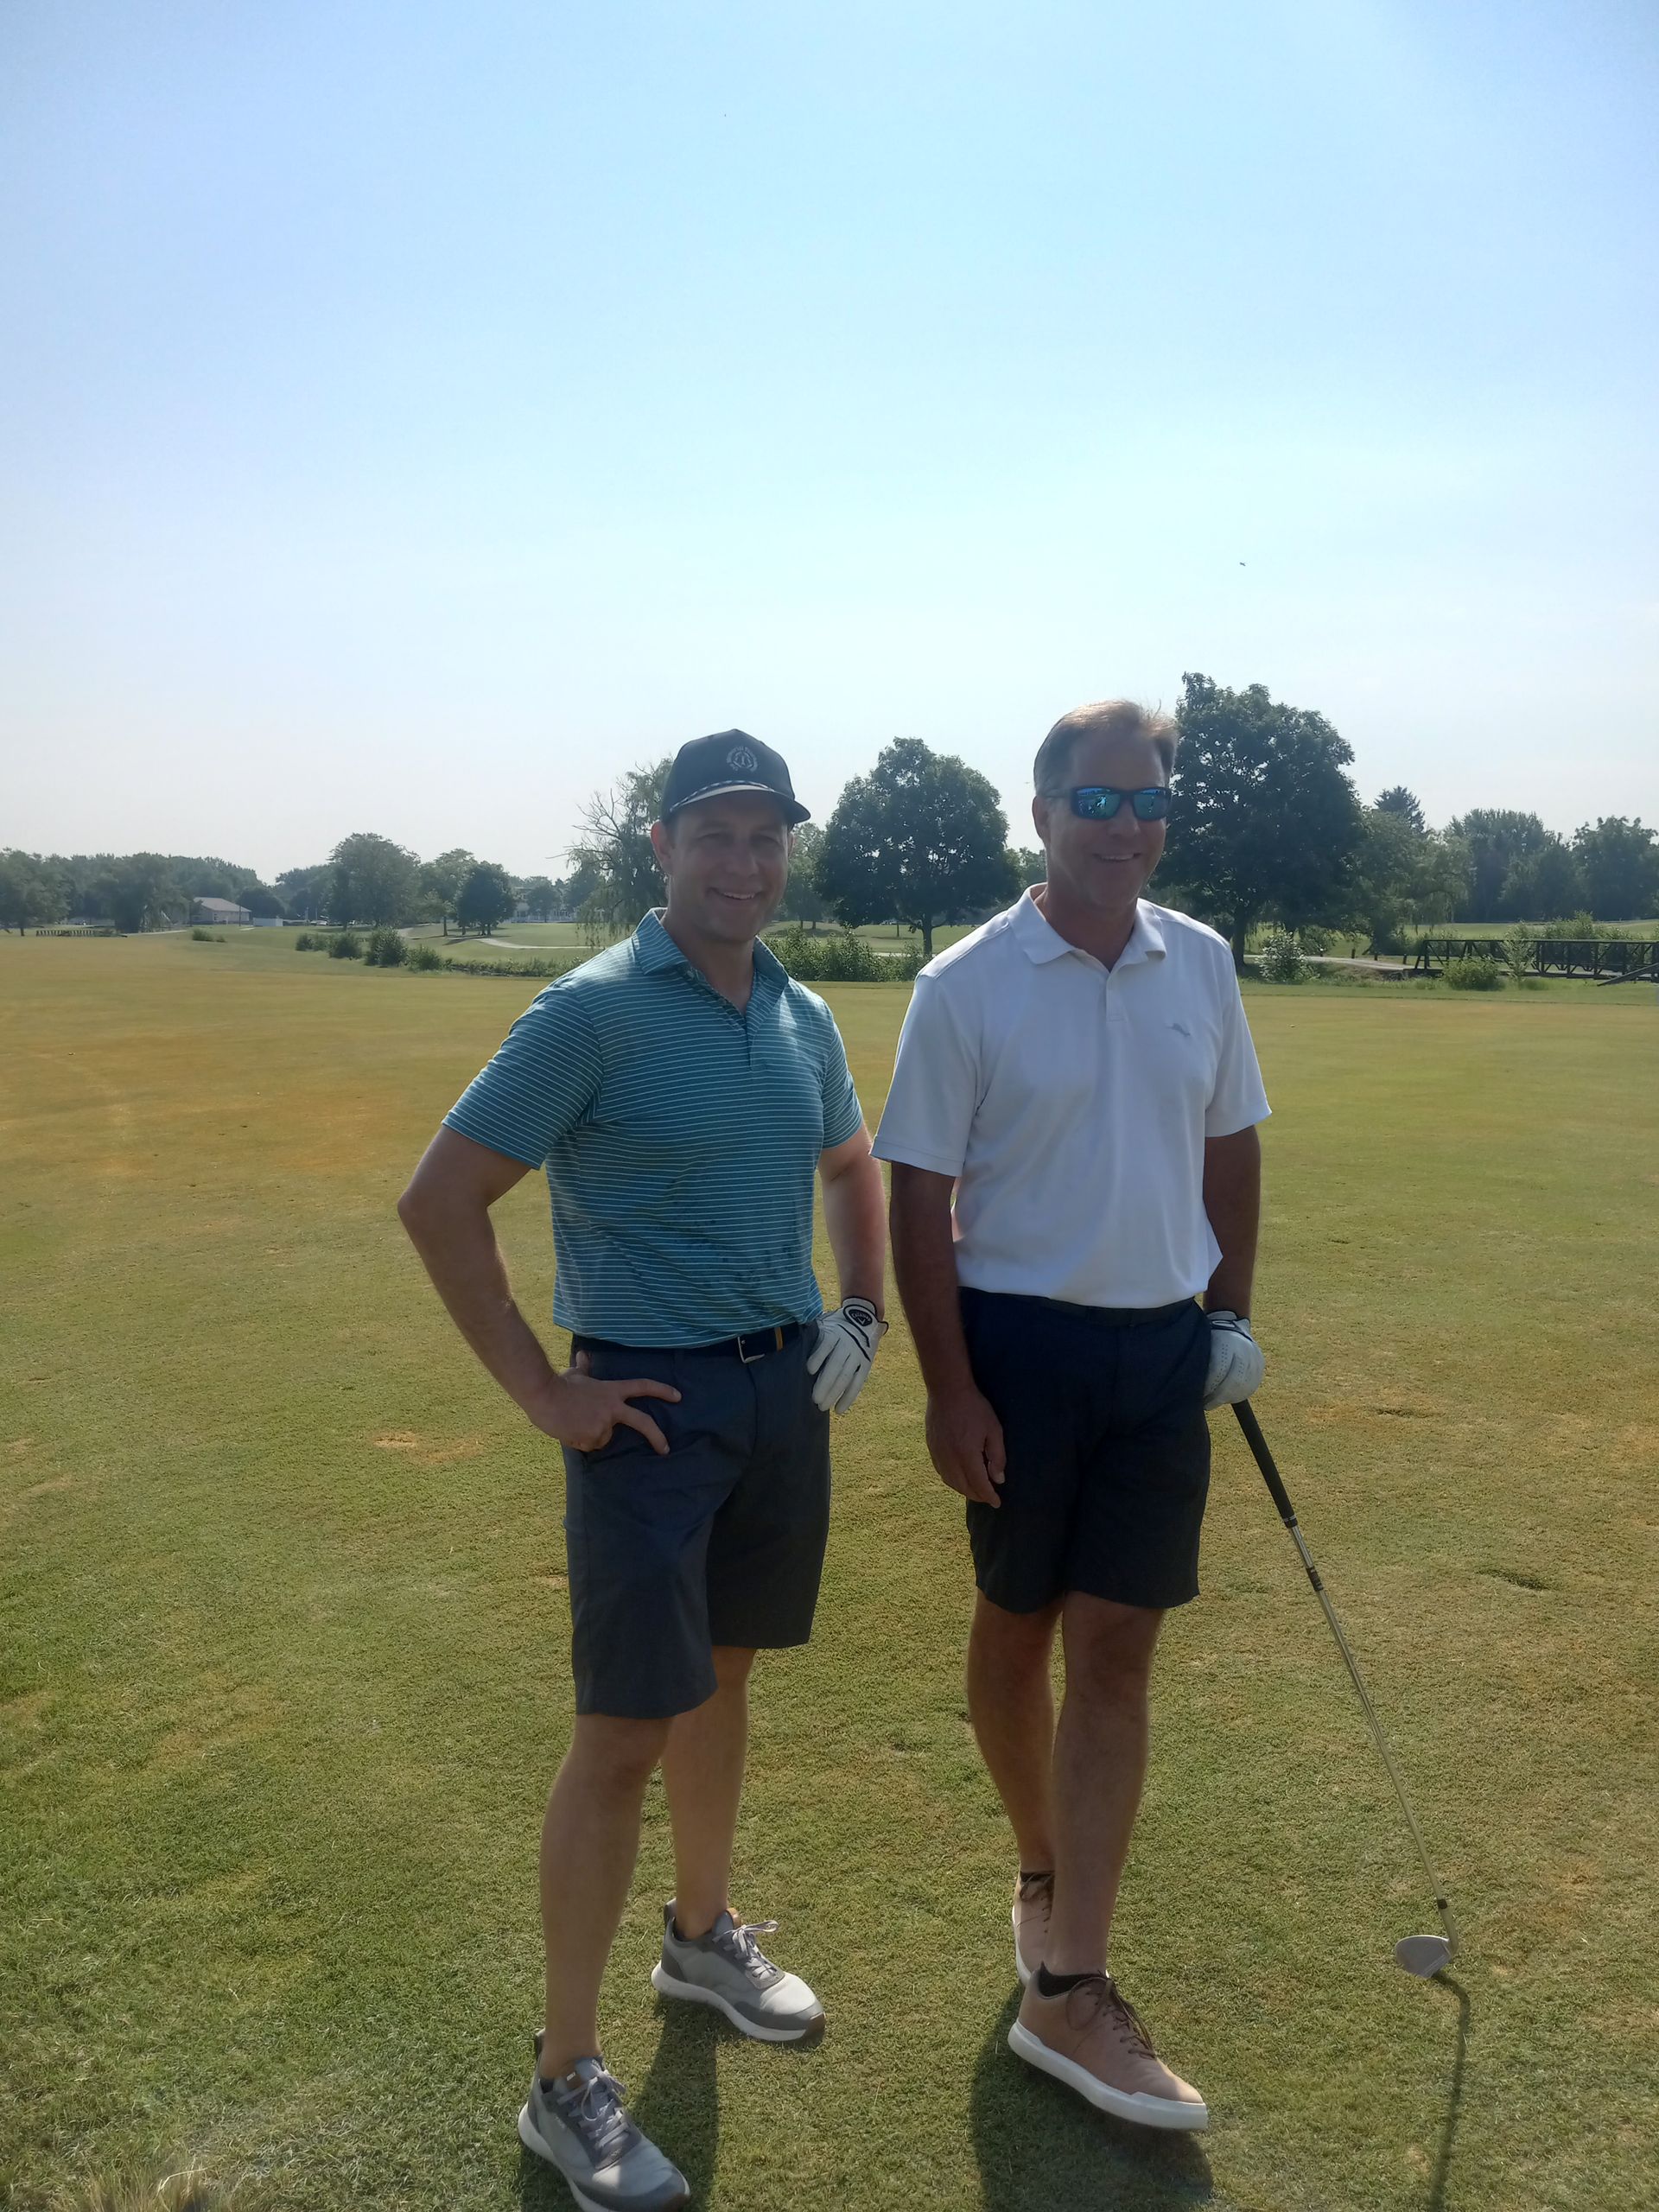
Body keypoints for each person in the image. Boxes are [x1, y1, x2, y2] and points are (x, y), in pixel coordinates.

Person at [397, 731, 887, 2212]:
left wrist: (864, 1311)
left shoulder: (801, 1011)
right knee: (620, 1735)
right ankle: (564, 2077)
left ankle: (700, 1937)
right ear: (660, 847)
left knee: (723, 1681)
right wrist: (547, 1392)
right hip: (649, 1411)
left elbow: (850, 1165)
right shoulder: (592, 1011)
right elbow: (441, 1199)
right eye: (715, 835)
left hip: (782, 1392)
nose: (745, 863)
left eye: (767, 837)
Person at [875, 698, 1269, 2134]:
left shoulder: (1201, 961)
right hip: (1019, 1349)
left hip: (1162, 1353)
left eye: (1148, 800)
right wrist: (950, 1387)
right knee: (1017, 1625)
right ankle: (1038, 1866)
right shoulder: (965, 983)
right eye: (1097, 802)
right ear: (1041, 814)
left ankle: (1071, 1984)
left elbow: (1231, 1145)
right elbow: (920, 1193)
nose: (1126, 826)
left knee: (1117, 1652)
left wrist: (1228, 1315)